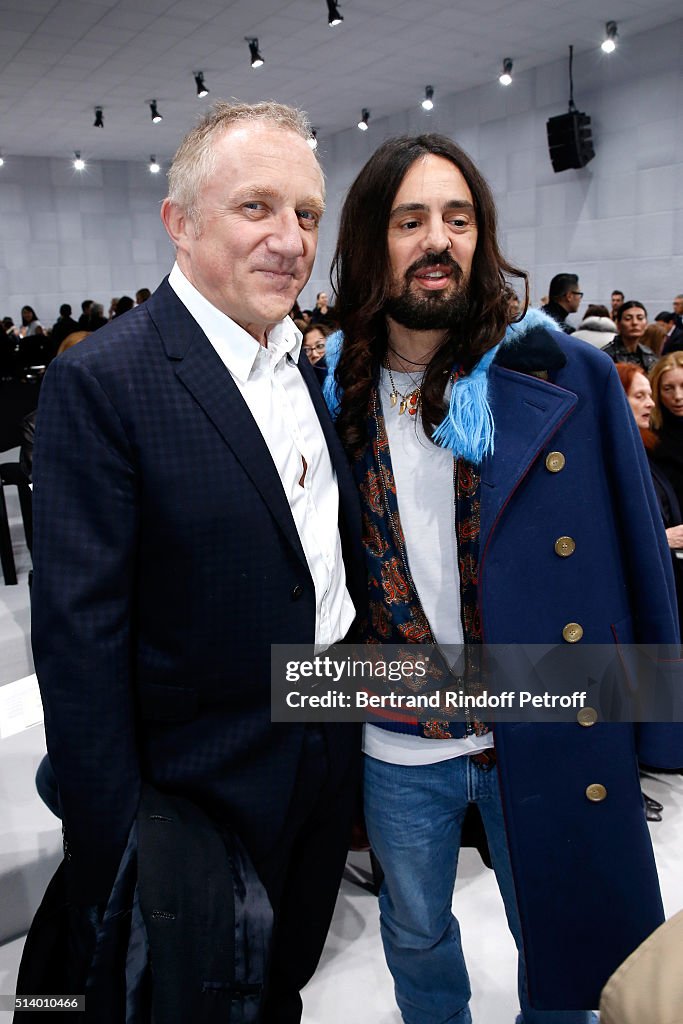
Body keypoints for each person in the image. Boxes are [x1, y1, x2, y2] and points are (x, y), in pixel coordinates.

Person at [325, 132, 682, 1023]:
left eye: (458, 218)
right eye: (410, 220)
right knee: (413, 933)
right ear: (372, 241)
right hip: (397, 721)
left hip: (548, 704)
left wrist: (658, 728)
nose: (437, 240)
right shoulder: (327, 392)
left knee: (568, 938)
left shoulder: (567, 374)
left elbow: (640, 561)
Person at [21, 100, 363, 1023]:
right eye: (257, 207)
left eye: (305, 214)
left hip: (322, 740)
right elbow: (78, 637)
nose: (289, 239)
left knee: (283, 975)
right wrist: (114, 842)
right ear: (180, 222)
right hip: (195, 783)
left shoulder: (298, 365)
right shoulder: (104, 380)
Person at [616, 362, 683, 638]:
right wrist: (663, 539)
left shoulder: (642, 447)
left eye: (649, 395)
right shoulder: (622, 457)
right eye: (640, 396)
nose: (651, 403)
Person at [601, 300, 657, 371]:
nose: (635, 323)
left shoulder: (649, 355)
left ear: (646, 324)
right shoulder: (606, 356)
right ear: (618, 324)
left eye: (640, 318)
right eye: (628, 318)